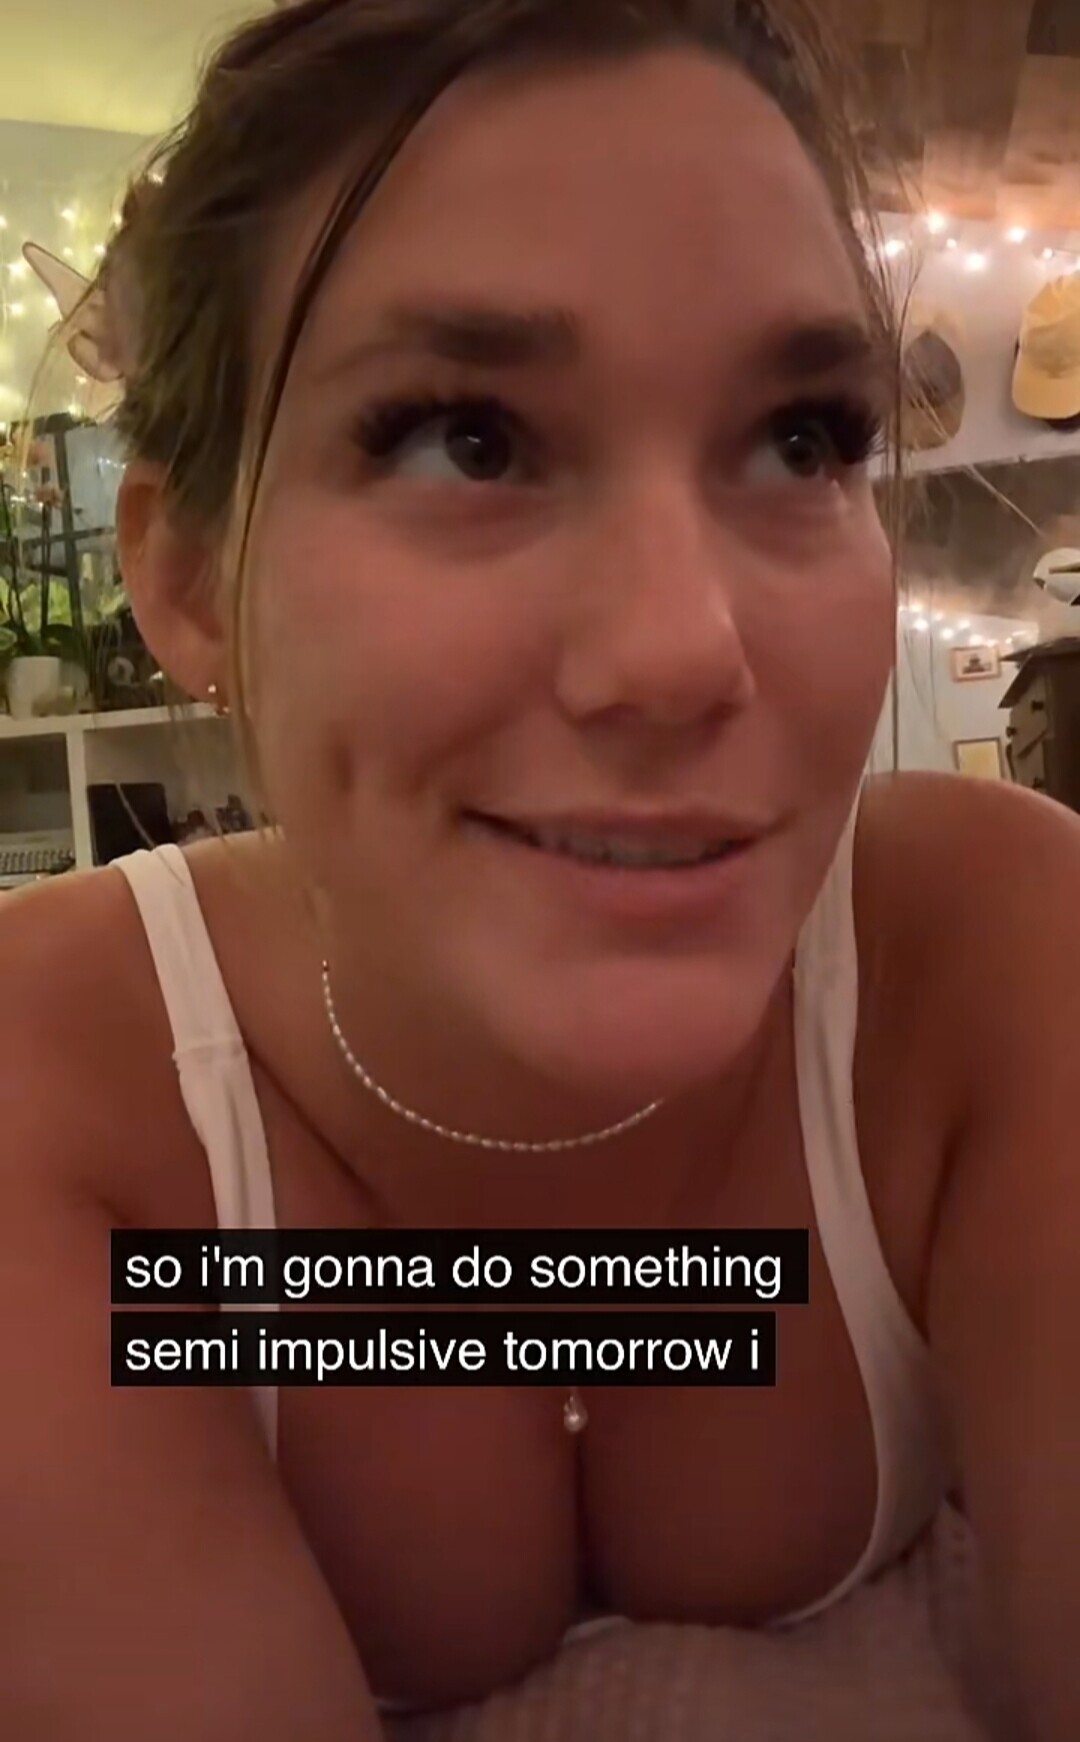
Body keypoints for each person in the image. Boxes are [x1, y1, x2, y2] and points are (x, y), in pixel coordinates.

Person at [2, 2, 1078, 1738]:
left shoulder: (996, 961)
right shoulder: (56, 1098)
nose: (681, 649)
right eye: (469, 438)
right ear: (191, 576)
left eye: (802, 436)